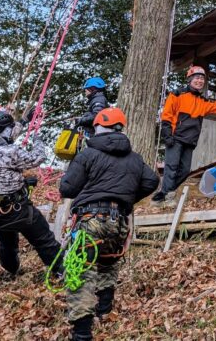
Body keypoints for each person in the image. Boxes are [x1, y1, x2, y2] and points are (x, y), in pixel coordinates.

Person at [59, 106, 158, 340]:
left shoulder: (88, 154)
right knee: (108, 261)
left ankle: (82, 332)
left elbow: (67, 188)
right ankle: (104, 310)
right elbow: (152, 180)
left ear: (98, 127)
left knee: (81, 269)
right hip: (119, 221)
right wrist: (125, 198)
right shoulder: (134, 158)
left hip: (90, 218)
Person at [0, 109, 62, 279]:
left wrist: (24, 121)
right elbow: (37, 157)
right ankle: (62, 270)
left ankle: (12, 270)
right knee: (43, 239)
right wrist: (38, 139)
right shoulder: (10, 151)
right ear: (5, 130)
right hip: (16, 209)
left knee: (7, 242)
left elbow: (6, 136)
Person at [151, 65, 216, 202]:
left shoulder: (203, 101)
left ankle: (165, 191)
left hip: (190, 140)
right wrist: (167, 136)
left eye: (202, 79)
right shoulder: (177, 94)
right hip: (175, 138)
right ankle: (167, 196)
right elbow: (166, 116)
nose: (200, 81)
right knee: (171, 167)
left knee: (185, 171)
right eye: (197, 78)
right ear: (190, 79)